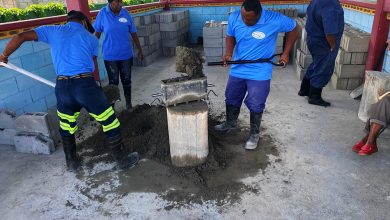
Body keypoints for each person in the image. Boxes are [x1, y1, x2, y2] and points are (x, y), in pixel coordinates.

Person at [0, 10, 139, 172]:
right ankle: (122, 160)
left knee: (66, 127)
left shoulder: (52, 30)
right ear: (84, 22)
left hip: (63, 88)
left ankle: (72, 163)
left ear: (68, 20)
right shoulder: (91, 39)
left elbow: (19, 37)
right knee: (110, 122)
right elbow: (93, 65)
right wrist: (95, 89)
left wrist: (4, 55)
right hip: (85, 86)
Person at [215, 0, 299, 150]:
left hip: (260, 69)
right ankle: (230, 123)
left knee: (256, 101)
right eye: (243, 17)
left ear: (259, 14)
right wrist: (228, 53)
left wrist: (286, 54)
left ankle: (254, 134)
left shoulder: (274, 19)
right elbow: (230, 36)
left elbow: (294, 28)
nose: (245, 21)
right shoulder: (234, 17)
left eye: (249, 19)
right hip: (238, 67)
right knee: (232, 96)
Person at [93, 0, 144, 109]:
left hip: (126, 55)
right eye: (117, 2)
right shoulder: (103, 13)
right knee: (113, 83)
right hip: (110, 57)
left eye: (121, 1)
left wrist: (140, 49)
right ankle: (112, 108)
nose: (120, 4)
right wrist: (91, 50)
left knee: (127, 80)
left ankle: (128, 104)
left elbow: (133, 32)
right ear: (110, 3)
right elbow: (96, 33)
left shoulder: (125, 13)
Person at [298, 0, 344, 107]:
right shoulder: (331, 5)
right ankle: (314, 97)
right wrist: (332, 46)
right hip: (324, 42)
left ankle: (304, 89)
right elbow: (330, 31)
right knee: (323, 68)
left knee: (316, 64)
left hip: (313, 38)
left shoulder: (316, 1)